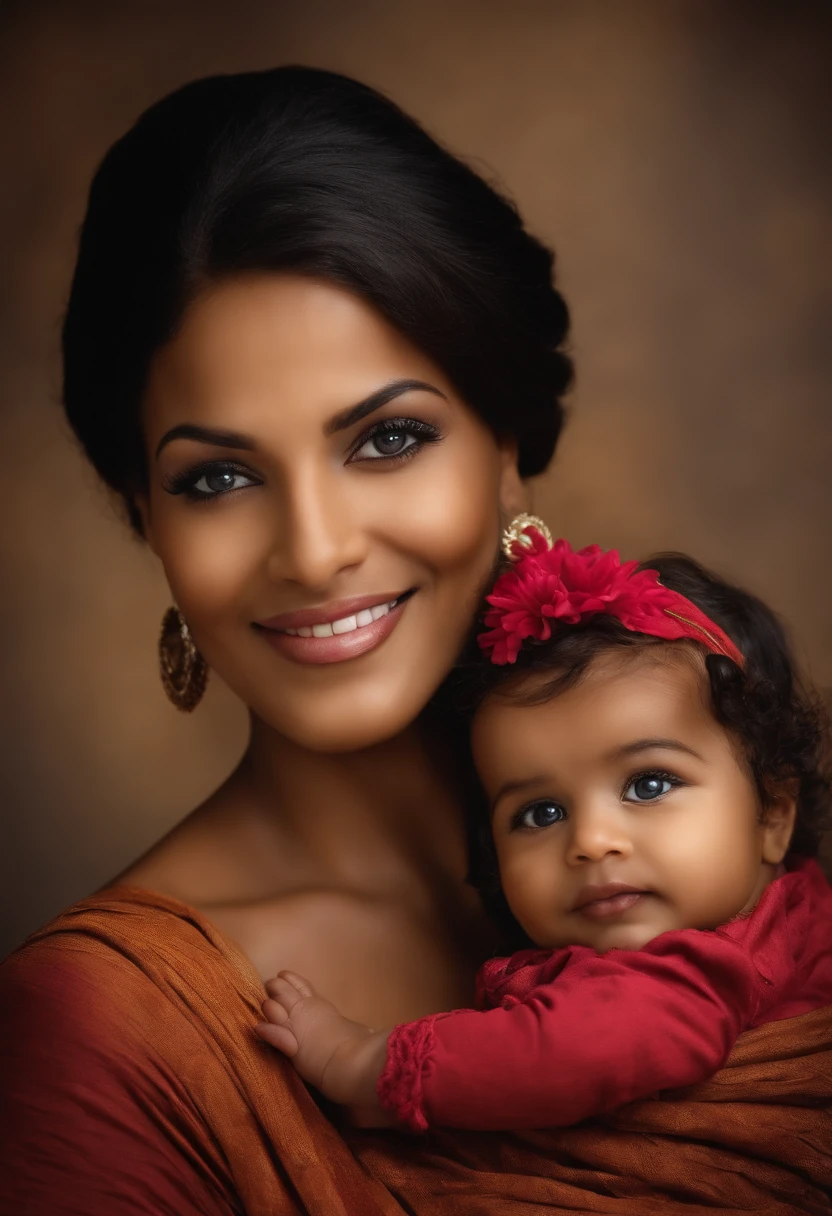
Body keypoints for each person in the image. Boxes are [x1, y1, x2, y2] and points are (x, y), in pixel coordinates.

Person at [2, 64, 830, 1215]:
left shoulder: (725, 834)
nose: (315, 547)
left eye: (385, 439)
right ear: (145, 516)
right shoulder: (106, 1031)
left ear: (505, 450)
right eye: (220, 475)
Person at [255, 525, 832, 1135]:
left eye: (650, 785)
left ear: (772, 814)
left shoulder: (699, 972)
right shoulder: (782, 913)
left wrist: (366, 1061)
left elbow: (584, 1045)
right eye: (541, 814)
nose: (590, 841)